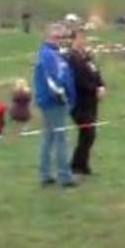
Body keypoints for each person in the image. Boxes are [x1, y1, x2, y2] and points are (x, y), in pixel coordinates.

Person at [34, 23, 77, 187]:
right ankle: (65, 176)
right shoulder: (48, 55)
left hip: (52, 101)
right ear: (51, 37)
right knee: (61, 139)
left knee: (49, 138)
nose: (61, 41)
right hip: (54, 102)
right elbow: (53, 80)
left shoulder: (54, 54)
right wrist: (63, 97)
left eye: (63, 38)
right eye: (59, 38)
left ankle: (44, 174)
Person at [66, 29, 106, 176]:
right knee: (87, 133)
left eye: (85, 37)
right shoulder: (72, 58)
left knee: (89, 135)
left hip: (92, 102)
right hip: (80, 103)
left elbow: (96, 73)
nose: (84, 40)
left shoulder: (87, 56)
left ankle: (82, 164)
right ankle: (76, 165)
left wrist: (101, 85)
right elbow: (79, 80)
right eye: (80, 38)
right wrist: (93, 89)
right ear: (74, 40)